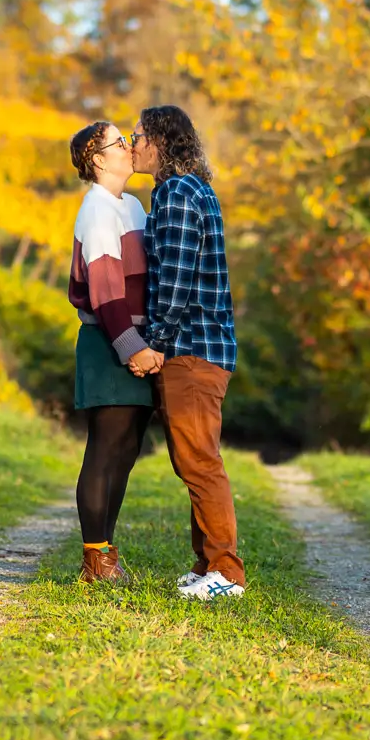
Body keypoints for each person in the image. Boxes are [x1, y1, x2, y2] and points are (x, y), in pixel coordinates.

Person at [127, 106, 245, 600]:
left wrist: (154, 343)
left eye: (137, 136)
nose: (131, 144)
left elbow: (173, 283)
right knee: (191, 461)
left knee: (199, 462)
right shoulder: (187, 190)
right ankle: (206, 566)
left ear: (158, 142)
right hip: (201, 347)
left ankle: (227, 572)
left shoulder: (175, 194)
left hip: (191, 349)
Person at [66, 120, 154, 585]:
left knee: (126, 449)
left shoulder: (134, 206)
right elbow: (105, 292)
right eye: (120, 142)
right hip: (110, 344)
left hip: (141, 344)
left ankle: (107, 555)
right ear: (98, 159)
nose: (129, 147)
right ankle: (94, 560)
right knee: (104, 449)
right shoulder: (97, 209)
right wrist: (131, 349)